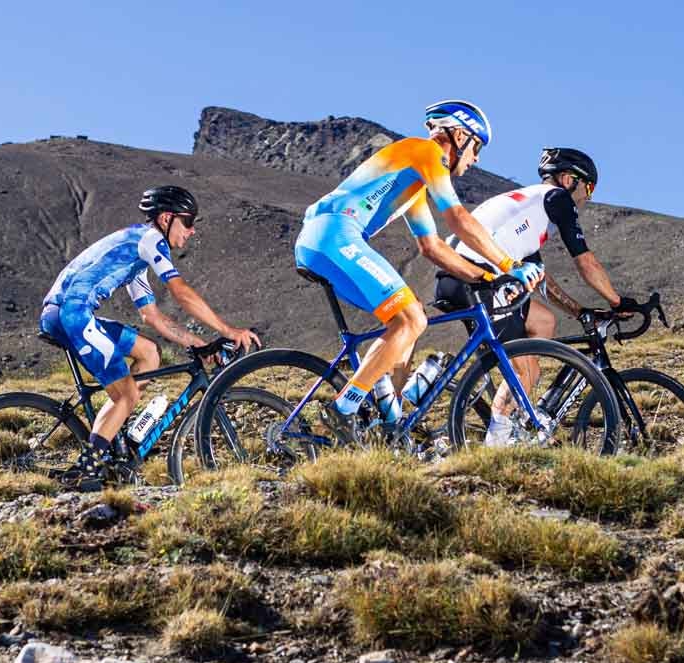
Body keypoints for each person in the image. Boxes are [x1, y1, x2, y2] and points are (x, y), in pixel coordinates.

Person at [294, 100, 543, 443]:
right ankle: (343, 409)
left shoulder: (413, 183)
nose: (477, 159)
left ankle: (387, 418)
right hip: (335, 234)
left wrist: (486, 278)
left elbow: (433, 247)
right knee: (411, 319)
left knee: (409, 320)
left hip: (325, 238)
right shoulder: (426, 151)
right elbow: (457, 217)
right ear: (459, 135)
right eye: (477, 147)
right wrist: (509, 265)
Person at [40, 185, 261, 488]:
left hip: (70, 314)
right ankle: (86, 471)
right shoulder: (150, 240)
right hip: (70, 315)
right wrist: (228, 331)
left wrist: (200, 345)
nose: (192, 231)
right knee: (127, 394)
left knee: (149, 353)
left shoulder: (135, 257)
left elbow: (152, 316)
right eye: (189, 221)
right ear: (167, 218)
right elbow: (180, 292)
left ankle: (114, 440)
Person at [433, 147, 638, 444]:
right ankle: (498, 443)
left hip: (466, 277)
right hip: (476, 278)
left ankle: (508, 408)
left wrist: (579, 311)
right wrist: (617, 302)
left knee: (543, 322)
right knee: (525, 369)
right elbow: (585, 261)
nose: (588, 198)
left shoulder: (530, 208)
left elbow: (541, 278)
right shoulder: (557, 199)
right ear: (568, 179)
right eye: (589, 188)